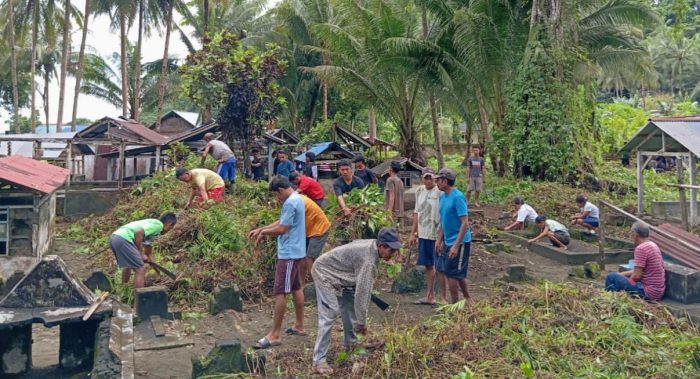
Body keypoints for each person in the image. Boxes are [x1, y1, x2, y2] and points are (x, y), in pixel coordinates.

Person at [311, 228, 402, 374]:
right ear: (381, 246)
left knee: (348, 307)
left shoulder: (373, 246)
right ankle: (318, 361)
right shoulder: (368, 261)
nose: (393, 255)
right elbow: (362, 293)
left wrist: (360, 319)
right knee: (330, 313)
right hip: (325, 273)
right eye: (391, 251)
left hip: (344, 275)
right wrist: (362, 322)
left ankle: (351, 346)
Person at [248, 176, 306, 349]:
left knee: (280, 291)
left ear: (280, 190)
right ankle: (299, 325)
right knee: (296, 288)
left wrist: (264, 233)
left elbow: (282, 228)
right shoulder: (298, 198)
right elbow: (283, 222)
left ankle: (275, 334)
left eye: (276, 195)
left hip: (288, 253)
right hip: (297, 251)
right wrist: (262, 229)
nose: (276, 199)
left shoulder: (289, 202)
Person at [109, 213, 177, 289]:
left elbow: (148, 253)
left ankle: (123, 288)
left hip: (115, 237)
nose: (168, 231)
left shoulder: (151, 228)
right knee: (140, 269)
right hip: (124, 239)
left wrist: (158, 272)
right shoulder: (159, 225)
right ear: (169, 224)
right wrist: (141, 254)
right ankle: (140, 297)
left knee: (128, 265)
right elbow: (138, 232)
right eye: (171, 229)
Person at [408, 168, 445, 305]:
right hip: (424, 234)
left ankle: (443, 297)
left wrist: (441, 237)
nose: (428, 180)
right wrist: (413, 233)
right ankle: (430, 296)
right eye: (426, 178)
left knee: (440, 266)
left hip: (436, 234)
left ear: (435, 178)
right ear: (422, 178)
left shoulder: (440, 193)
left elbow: (444, 216)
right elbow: (417, 213)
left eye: (431, 178)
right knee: (429, 265)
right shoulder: (420, 191)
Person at [435, 168, 472, 304]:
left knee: (451, 274)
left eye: (438, 180)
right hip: (448, 240)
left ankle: (455, 305)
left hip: (460, 241)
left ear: (445, 181)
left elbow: (464, 223)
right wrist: (439, 240)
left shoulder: (458, 197)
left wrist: (456, 246)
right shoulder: (442, 197)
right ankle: (468, 299)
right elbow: (444, 221)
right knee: (456, 272)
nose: (436, 182)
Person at [605, 222, 665, 301]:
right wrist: (620, 275)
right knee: (616, 277)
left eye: (631, 234)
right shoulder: (653, 245)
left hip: (646, 292)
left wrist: (626, 281)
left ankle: (611, 300)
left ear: (635, 234)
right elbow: (638, 270)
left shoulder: (641, 248)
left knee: (610, 277)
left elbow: (636, 276)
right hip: (657, 292)